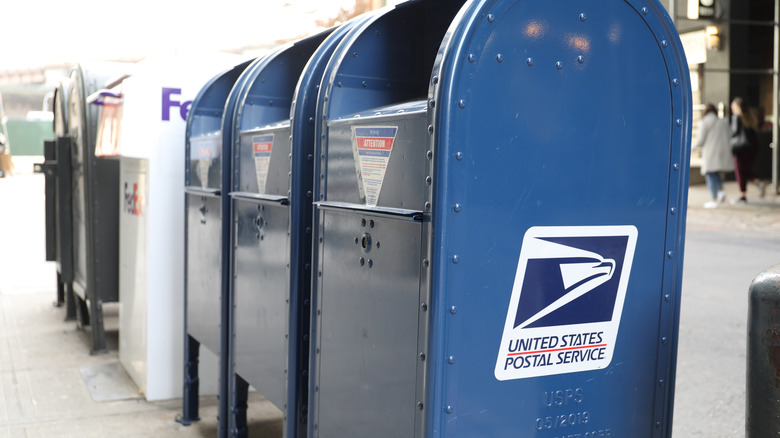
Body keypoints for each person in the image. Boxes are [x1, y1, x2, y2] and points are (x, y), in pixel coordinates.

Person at [692, 103, 733, 208]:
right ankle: (721, 191)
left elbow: (700, 140)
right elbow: (730, 135)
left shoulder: (704, 122)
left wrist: (691, 147)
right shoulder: (724, 122)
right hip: (722, 152)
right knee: (714, 173)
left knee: (709, 174)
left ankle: (714, 198)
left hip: (710, 153)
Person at [730, 97, 765, 203]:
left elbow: (734, 133)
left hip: (741, 147)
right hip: (753, 145)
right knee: (745, 169)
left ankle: (743, 195)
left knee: (740, 170)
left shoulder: (736, 117)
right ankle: (757, 183)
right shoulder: (750, 116)